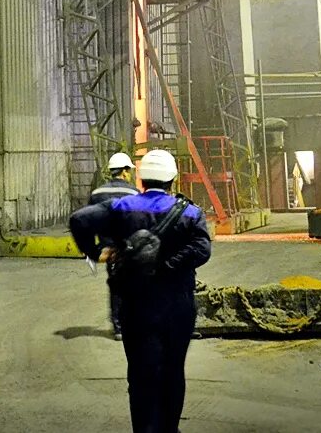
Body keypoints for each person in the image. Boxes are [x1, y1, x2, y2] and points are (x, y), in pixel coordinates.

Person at [69, 149, 212, 433]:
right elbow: (202, 249)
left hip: (136, 306)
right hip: (177, 307)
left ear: (141, 178)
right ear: (173, 179)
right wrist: (169, 264)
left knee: (141, 374)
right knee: (173, 371)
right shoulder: (190, 212)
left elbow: (79, 220)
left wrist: (97, 251)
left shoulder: (121, 207)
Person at [88, 151, 140, 337]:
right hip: (131, 248)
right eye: (129, 170)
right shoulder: (134, 193)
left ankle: (118, 328)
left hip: (109, 249)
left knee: (116, 285)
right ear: (125, 171)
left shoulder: (97, 194)